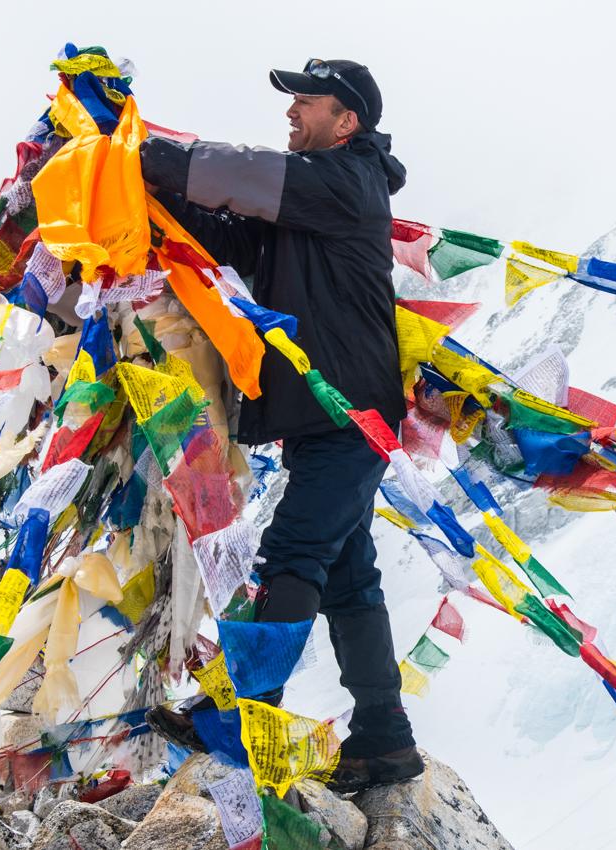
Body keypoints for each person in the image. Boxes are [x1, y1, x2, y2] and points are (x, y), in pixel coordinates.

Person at [139, 59, 421, 792]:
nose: (291, 111)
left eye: (306, 100)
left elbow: (240, 174)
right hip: (334, 422)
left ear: (346, 120)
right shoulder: (311, 209)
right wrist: (147, 196)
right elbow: (228, 231)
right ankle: (383, 739)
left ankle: (243, 711)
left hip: (348, 418)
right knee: (350, 580)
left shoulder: (347, 182)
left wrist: (137, 150)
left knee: (293, 555)